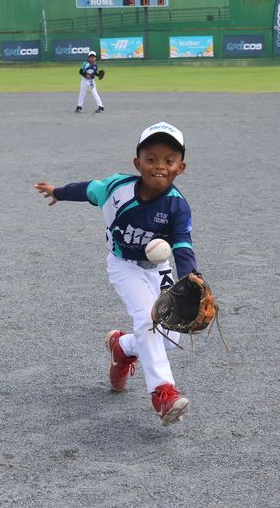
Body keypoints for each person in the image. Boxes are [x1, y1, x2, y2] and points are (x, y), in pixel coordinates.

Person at [34, 122, 199, 426]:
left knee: (168, 336)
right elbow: (88, 189)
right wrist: (58, 192)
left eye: (169, 160)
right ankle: (163, 392)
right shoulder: (117, 189)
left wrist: (190, 279)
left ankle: (122, 347)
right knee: (148, 318)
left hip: (158, 269)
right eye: (151, 159)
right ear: (138, 163)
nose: (159, 166)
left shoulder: (178, 206)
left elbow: (182, 246)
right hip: (124, 265)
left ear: (180, 168)